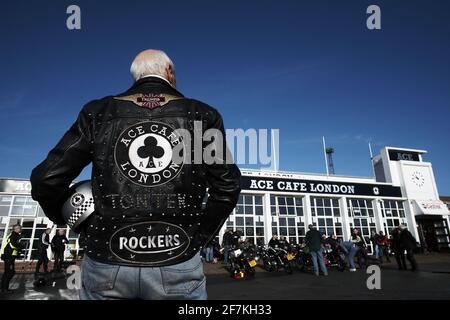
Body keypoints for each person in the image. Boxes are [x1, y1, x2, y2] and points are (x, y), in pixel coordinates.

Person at [30, 49, 241, 300]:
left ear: (136, 76)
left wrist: (68, 219)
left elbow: (46, 179)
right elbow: (227, 186)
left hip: (106, 260)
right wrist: (198, 240)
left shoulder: (98, 111)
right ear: (169, 73)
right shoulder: (202, 114)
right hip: (178, 260)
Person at [1, 224, 24, 293]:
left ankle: (3, 287)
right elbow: (13, 245)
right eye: (20, 228)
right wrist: (21, 246)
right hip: (8, 256)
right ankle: (4, 289)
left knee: (8, 272)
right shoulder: (14, 235)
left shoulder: (12, 234)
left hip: (8, 256)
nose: (21, 229)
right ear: (16, 229)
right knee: (9, 272)